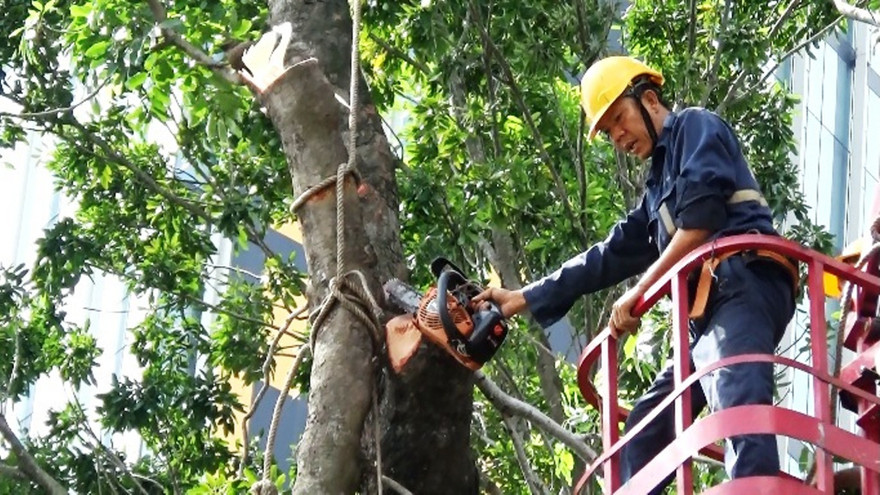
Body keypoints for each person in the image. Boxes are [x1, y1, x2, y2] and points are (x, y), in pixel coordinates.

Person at [474, 56, 797, 493]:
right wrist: (523, 297)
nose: (618, 136)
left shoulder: (696, 128)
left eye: (619, 119)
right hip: (707, 315)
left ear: (649, 100)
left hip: (744, 281)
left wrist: (640, 292)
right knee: (645, 430)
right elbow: (607, 255)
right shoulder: (656, 193)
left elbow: (701, 222)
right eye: (609, 132)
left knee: (736, 393)